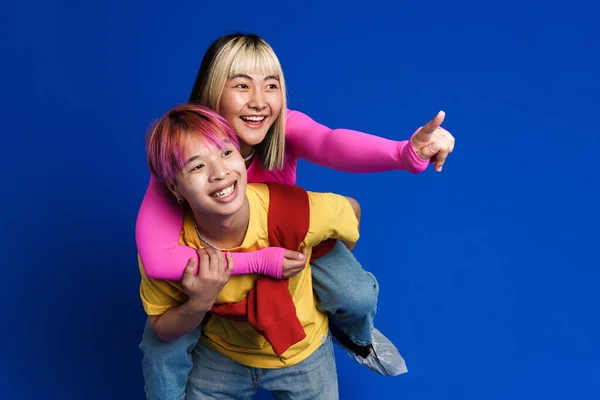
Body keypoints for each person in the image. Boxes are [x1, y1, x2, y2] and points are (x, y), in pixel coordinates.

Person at [136, 33, 455, 398]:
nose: (259, 101)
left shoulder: (283, 128)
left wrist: (404, 153)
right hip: (211, 257)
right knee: (162, 346)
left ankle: (352, 336)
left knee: (356, 295)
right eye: (242, 85)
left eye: (271, 85)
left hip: (286, 240)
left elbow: (331, 143)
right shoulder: (181, 151)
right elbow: (159, 261)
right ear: (212, 91)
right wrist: (253, 265)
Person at [139, 103, 366, 399]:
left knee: (358, 295)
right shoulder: (170, 248)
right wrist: (198, 303)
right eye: (197, 166)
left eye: (226, 153)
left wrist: (317, 266)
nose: (219, 173)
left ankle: (361, 338)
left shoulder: (293, 212)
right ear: (174, 188)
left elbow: (352, 210)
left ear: (242, 158)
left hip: (303, 353)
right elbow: (163, 331)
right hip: (222, 356)